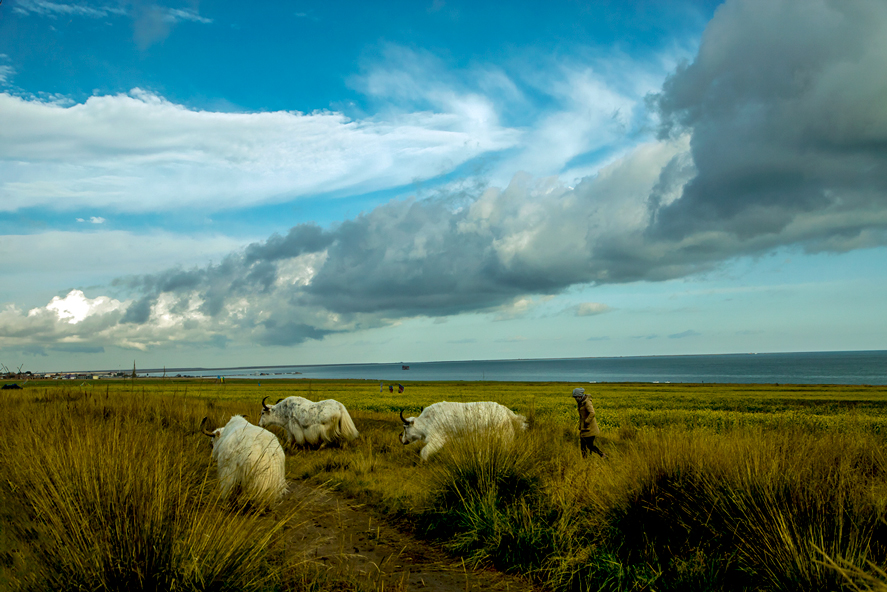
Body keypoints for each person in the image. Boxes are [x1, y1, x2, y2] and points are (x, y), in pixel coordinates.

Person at [572, 387, 606, 459]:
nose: (575, 399)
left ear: (580, 396)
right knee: (582, 446)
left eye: (576, 397)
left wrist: (586, 421)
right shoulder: (581, 403)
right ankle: (585, 461)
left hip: (590, 428)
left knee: (590, 446)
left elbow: (592, 413)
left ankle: (602, 455)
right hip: (584, 428)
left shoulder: (587, 402)